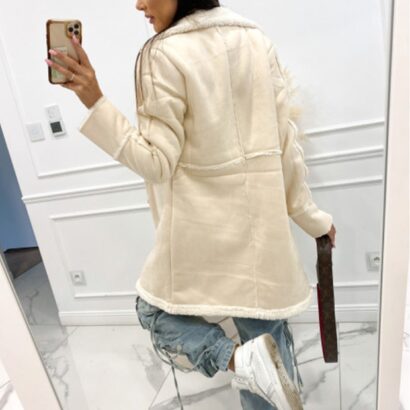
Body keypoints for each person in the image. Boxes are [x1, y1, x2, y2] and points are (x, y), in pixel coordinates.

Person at [45, 1, 336, 409]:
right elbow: (286, 145)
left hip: (207, 236)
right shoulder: (256, 40)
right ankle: (257, 370)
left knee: (155, 313)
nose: (139, 4)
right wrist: (314, 220)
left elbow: (156, 163)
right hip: (263, 239)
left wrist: (94, 101)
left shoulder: (163, 53)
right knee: (266, 339)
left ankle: (237, 359)